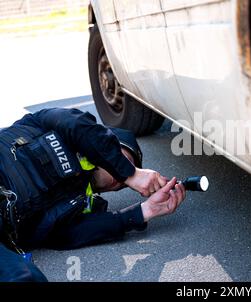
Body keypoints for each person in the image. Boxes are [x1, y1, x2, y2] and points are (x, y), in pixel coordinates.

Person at [0, 108, 186, 282]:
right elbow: (75, 124)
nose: (120, 182)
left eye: (124, 186)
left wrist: (146, 210)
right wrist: (130, 173)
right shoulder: (39, 123)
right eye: (125, 159)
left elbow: (68, 236)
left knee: (24, 276)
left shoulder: (84, 206)